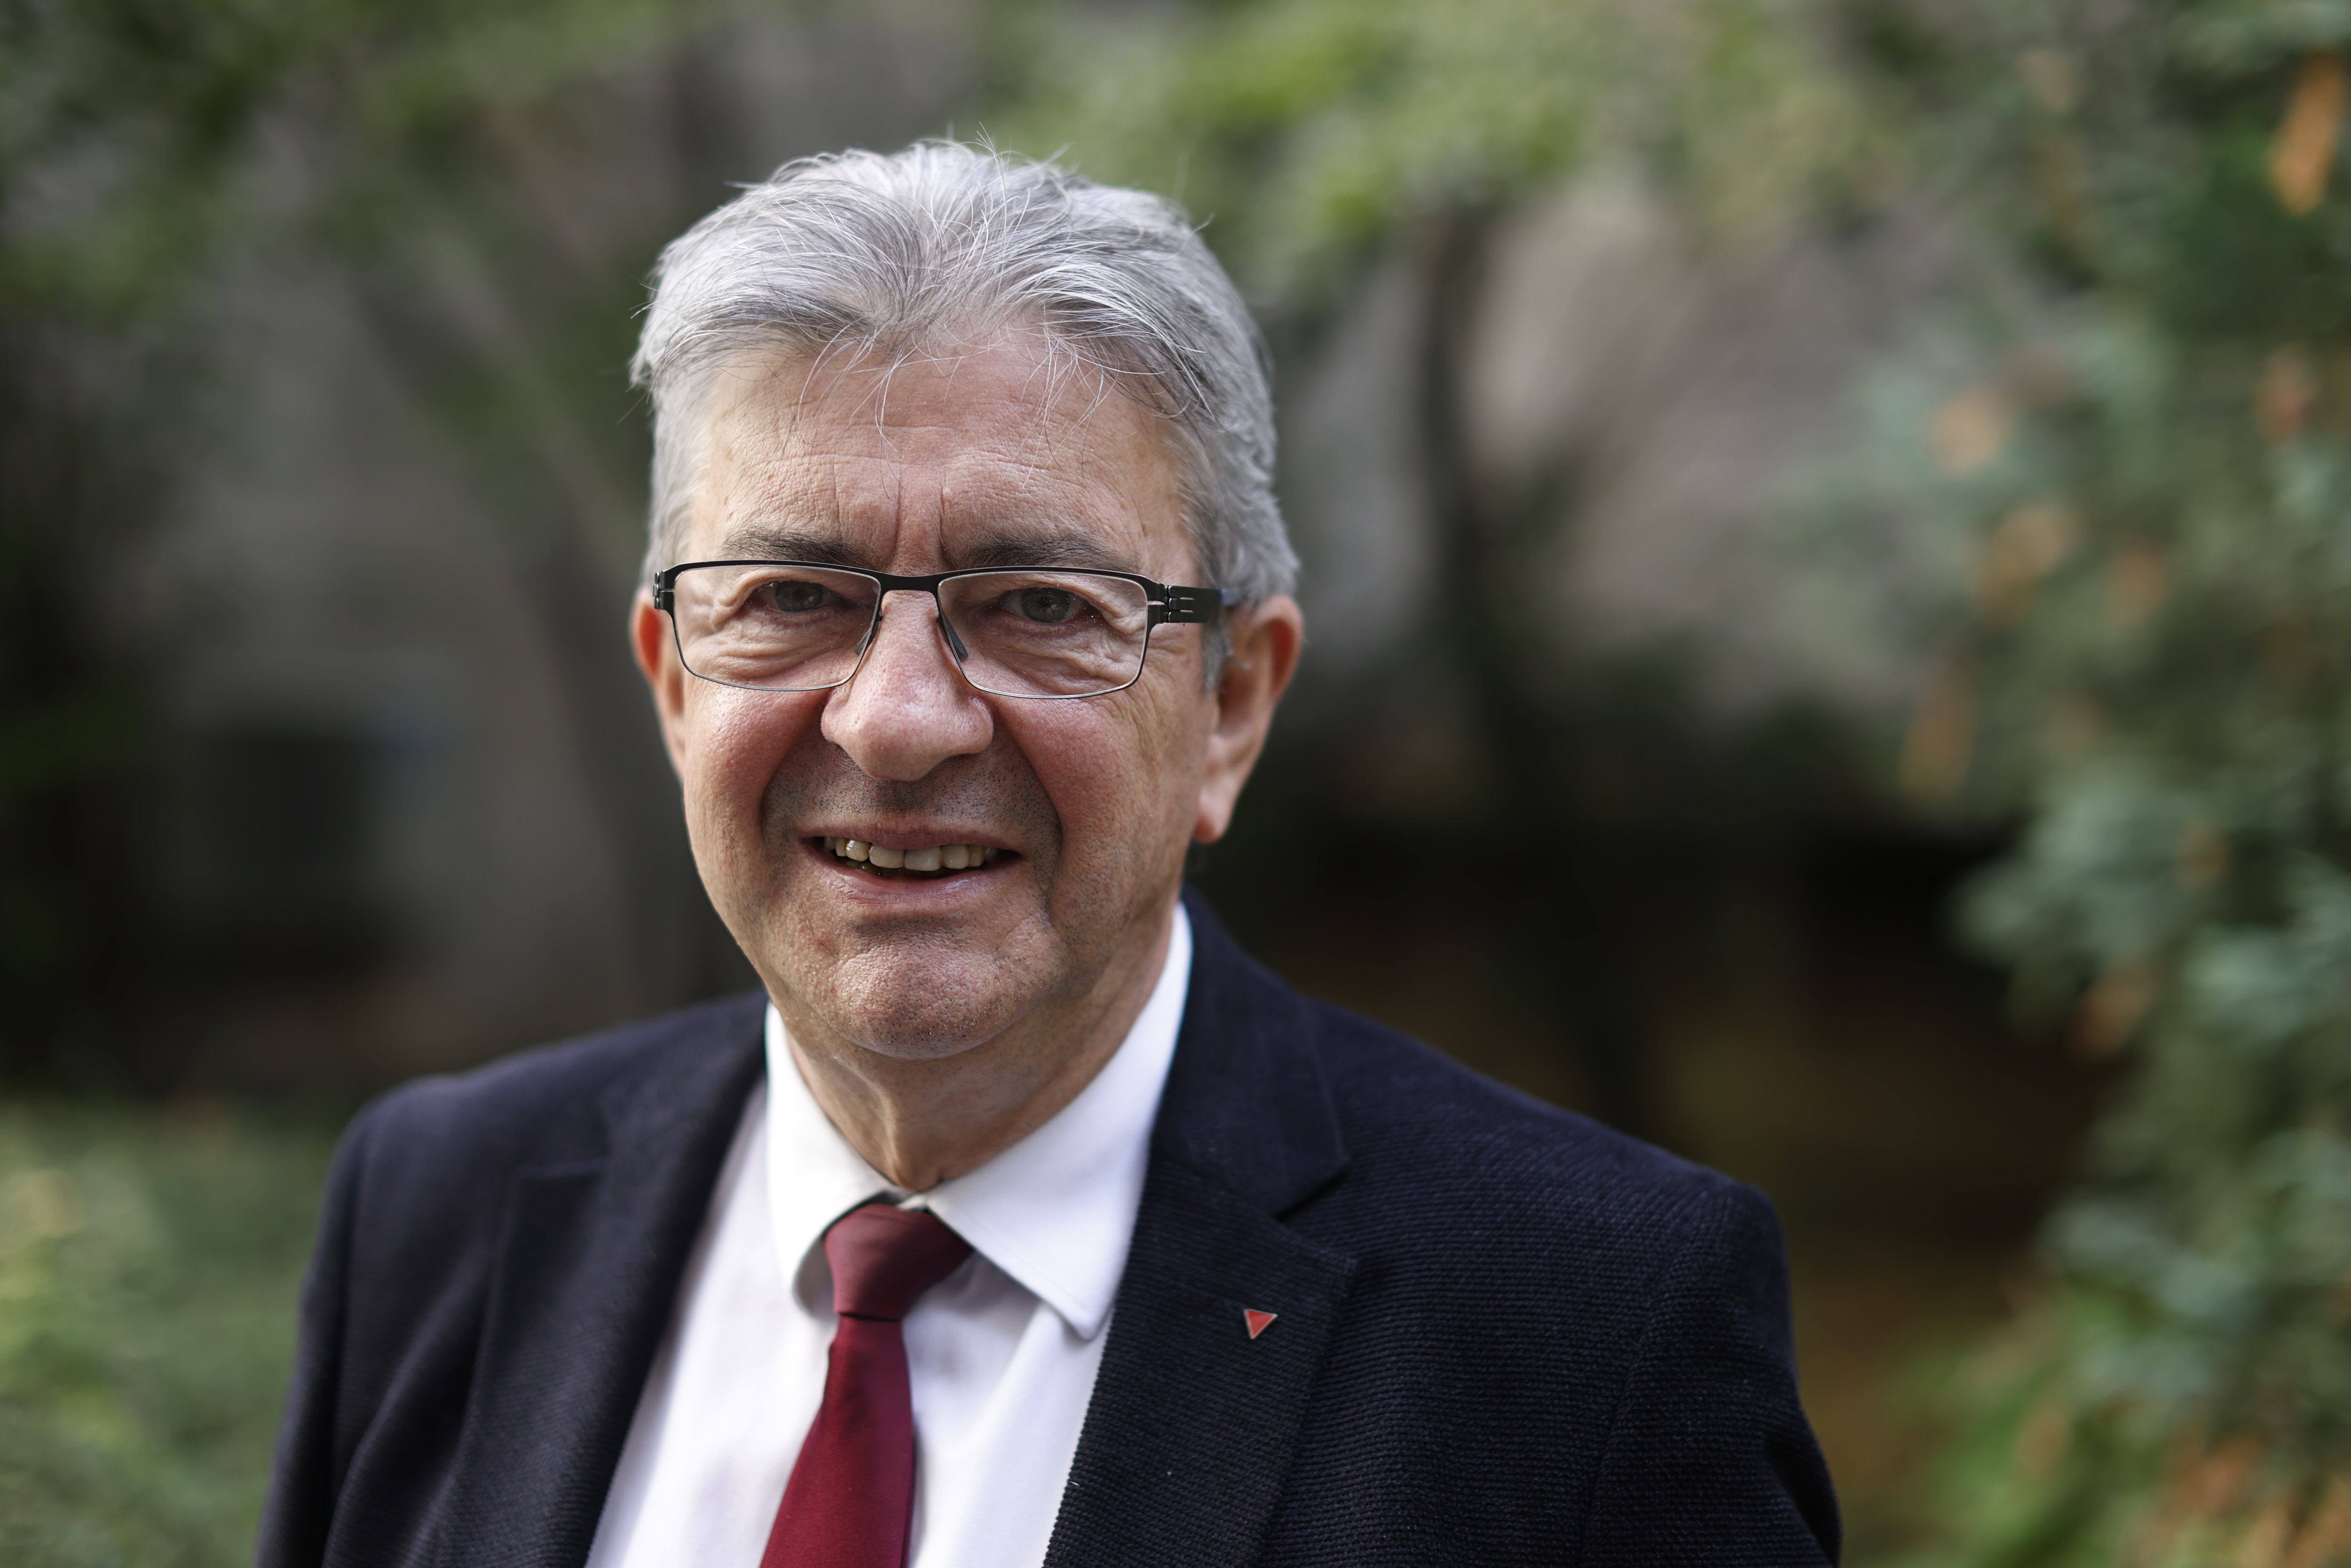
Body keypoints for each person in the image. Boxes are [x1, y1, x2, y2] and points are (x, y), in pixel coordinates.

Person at [257, 142, 1839, 1568]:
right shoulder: (435, 1204)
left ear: (1230, 706)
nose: (896, 723)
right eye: (792, 599)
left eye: (1039, 608)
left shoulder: (1593, 1334)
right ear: (677, 684)